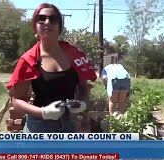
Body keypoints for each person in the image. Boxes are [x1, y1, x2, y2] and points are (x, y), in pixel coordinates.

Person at [6, 3, 97, 133]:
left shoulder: (75, 55)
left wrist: (81, 103)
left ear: (60, 26)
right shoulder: (29, 59)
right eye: (41, 19)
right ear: (35, 27)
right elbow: (16, 100)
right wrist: (43, 112)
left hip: (69, 125)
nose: (47, 22)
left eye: (53, 19)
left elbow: (84, 88)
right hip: (38, 128)